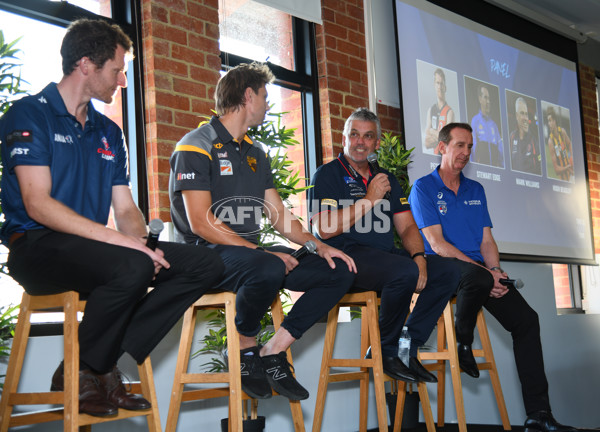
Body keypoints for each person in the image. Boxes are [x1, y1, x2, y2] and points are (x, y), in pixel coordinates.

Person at [0, 19, 224, 418]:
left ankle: (93, 364)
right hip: (36, 247)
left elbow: (124, 210)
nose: (122, 80)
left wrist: (146, 245)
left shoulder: (108, 131)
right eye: (117, 70)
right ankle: (94, 369)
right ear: (86, 64)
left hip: (94, 250)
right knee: (132, 262)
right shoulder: (30, 114)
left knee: (205, 263)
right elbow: (38, 205)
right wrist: (127, 247)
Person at [168, 62, 357, 401]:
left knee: (338, 269)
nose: (268, 104)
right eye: (265, 96)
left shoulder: (257, 153)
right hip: (203, 255)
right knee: (267, 264)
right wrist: (260, 253)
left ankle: (272, 351)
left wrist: (318, 246)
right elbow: (200, 221)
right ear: (248, 95)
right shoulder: (195, 144)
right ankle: (244, 351)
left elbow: (279, 216)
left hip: (251, 261)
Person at [408, 122, 576, 432]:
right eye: (460, 145)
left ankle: (538, 415)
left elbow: (486, 241)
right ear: (441, 147)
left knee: (527, 320)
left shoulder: (476, 189)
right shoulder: (423, 188)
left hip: (480, 274)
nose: (466, 152)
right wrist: (486, 274)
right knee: (480, 278)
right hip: (443, 269)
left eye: (470, 147)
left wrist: (496, 271)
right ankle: (463, 343)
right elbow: (437, 244)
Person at [308, 107, 459, 383]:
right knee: (403, 271)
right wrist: (369, 198)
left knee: (448, 272)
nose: (359, 142)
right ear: (344, 138)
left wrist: (419, 256)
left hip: (384, 257)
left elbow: (408, 226)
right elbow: (324, 229)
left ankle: (406, 347)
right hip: (345, 258)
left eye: (367, 137)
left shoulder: (385, 179)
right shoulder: (327, 175)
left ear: (376, 144)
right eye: (354, 134)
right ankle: (385, 350)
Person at [470, 85, 504, 167]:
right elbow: (472, 146)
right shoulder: (475, 121)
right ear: (480, 99)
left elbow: (501, 149)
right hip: (481, 170)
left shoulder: (494, 125)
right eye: (485, 98)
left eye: (489, 98)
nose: (488, 101)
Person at [424, 68, 455, 153]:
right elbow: (426, 143)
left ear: (445, 87)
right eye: (438, 83)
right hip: (434, 159)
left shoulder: (449, 112)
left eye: (442, 84)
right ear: (434, 85)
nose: (440, 87)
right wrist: (438, 136)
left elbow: (446, 139)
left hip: (445, 158)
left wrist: (432, 132)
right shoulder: (431, 110)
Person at [510, 97, 541, 175]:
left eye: (526, 114)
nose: (525, 118)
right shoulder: (512, 137)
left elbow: (540, 166)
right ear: (517, 116)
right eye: (522, 113)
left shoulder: (534, 141)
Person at [546, 106, 573, 181]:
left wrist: (571, 157)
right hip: (563, 181)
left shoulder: (562, 131)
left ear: (554, 121)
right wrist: (567, 168)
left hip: (572, 175)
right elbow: (556, 170)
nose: (549, 123)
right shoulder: (550, 142)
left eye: (550, 120)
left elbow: (569, 143)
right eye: (548, 121)